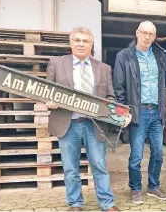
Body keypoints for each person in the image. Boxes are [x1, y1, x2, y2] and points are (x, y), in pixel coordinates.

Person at [46, 27, 131, 211]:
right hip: (68, 124)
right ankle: (75, 204)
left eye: (85, 41)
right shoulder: (56, 64)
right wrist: (50, 101)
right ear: (71, 43)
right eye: (77, 40)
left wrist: (119, 114)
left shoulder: (104, 68)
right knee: (70, 168)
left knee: (99, 165)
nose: (81, 44)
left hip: (95, 125)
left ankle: (107, 204)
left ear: (91, 45)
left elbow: (110, 98)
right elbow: (48, 90)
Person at [113, 21, 166, 205]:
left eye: (151, 34)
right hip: (137, 112)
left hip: (157, 112)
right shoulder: (124, 56)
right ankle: (135, 188)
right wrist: (123, 111)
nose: (147, 37)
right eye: (144, 33)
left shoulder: (158, 55)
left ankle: (153, 186)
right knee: (137, 155)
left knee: (158, 153)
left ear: (155, 37)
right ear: (137, 33)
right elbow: (119, 86)